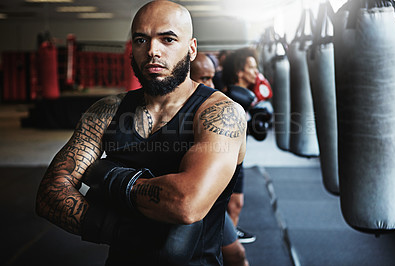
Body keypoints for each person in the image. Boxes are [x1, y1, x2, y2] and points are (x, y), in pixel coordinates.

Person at [35, 1, 247, 265]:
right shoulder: (105, 111)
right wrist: (130, 234)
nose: (152, 51)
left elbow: (186, 203)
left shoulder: (221, 114)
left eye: (167, 39)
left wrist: (107, 176)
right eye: (140, 40)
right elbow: (49, 195)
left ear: (191, 49)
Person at [190, 52, 249, 266]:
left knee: (236, 255)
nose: (212, 84)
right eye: (204, 78)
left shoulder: (217, 108)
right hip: (187, 202)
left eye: (212, 77)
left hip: (213, 204)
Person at [222, 47, 261, 244]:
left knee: (236, 204)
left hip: (238, 157)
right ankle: (226, 247)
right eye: (252, 67)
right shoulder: (231, 96)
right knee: (231, 204)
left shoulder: (247, 97)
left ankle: (230, 238)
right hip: (224, 158)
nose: (256, 72)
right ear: (240, 72)